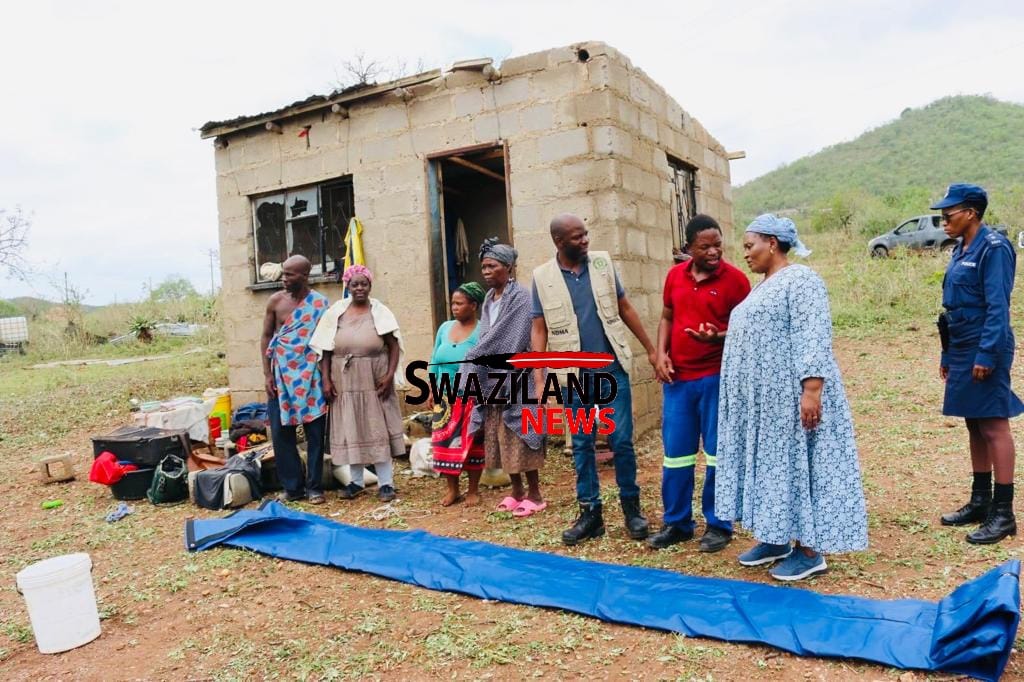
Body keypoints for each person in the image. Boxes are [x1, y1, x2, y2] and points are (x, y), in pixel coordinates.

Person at [716, 214, 867, 581]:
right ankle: (776, 537)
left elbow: (812, 334)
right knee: (774, 466)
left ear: (772, 243)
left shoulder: (800, 280)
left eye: (750, 245)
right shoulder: (764, 286)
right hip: (766, 406)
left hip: (790, 399)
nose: (745, 253)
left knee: (799, 465)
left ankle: (810, 551)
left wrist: (811, 390)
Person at [531, 213, 660, 546]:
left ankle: (632, 510)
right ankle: (591, 514)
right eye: (577, 237)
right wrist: (539, 376)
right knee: (582, 444)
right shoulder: (542, 277)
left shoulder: (602, 263)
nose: (585, 241)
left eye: (586, 234)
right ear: (559, 242)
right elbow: (539, 327)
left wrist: (651, 349)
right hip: (573, 376)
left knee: (621, 440)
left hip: (611, 371)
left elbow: (625, 307)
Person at [650, 214, 751, 553]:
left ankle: (719, 525)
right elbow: (667, 317)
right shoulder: (674, 276)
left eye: (718, 245)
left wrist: (716, 337)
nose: (713, 252)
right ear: (688, 248)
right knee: (676, 455)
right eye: (705, 246)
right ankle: (677, 523)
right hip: (678, 381)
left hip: (716, 378)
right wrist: (661, 354)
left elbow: (747, 331)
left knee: (718, 455)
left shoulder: (736, 281)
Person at [934, 184, 1022, 544]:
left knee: (993, 424)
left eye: (948, 214)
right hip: (961, 343)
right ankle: (981, 501)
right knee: (974, 422)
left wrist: (986, 354)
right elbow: (953, 305)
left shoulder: (994, 248)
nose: (943, 221)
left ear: (971, 213)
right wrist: (947, 353)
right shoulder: (961, 248)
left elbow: (998, 306)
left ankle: (1003, 513)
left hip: (986, 343)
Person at [310, 265, 405, 502]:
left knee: (377, 427)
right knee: (350, 426)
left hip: (374, 377)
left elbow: (394, 346)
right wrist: (326, 380)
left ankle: (386, 483)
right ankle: (356, 482)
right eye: (355, 284)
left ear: (370, 286)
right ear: (348, 286)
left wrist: (389, 376)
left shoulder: (380, 312)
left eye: (364, 284)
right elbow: (325, 349)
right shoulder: (336, 313)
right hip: (344, 380)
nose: (359, 288)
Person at [467, 238, 547, 516]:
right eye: (483, 267)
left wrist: (476, 355)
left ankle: (535, 494)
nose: (486, 271)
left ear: (509, 267)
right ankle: (516, 491)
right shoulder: (489, 299)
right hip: (494, 378)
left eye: (492, 266)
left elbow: (512, 336)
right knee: (500, 432)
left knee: (522, 432)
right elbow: (486, 335)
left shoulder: (521, 297)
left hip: (520, 374)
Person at [260, 255, 330, 504]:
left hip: (311, 374)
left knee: (315, 434)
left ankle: (314, 487)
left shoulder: (320, 304)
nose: (284, 278)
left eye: (290, 274)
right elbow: (266, 336)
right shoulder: (275, 301)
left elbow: (326, 343)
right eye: (284, 273)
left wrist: (327, 378)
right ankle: (293, 488)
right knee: (281, 434)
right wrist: (267, 374)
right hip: (281, 375)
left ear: (305, 276)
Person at [429, 282, 486, 506]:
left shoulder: (483, 331)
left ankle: (473, 490)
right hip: (445, 397)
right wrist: (432, 388)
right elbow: (434, 359)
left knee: (473, 443)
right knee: (443, 443)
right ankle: (452, 489)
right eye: (453, 303)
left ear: (473, 306)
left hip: (470, 396)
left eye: (460, 303)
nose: (454, 307)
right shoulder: (444, 328)